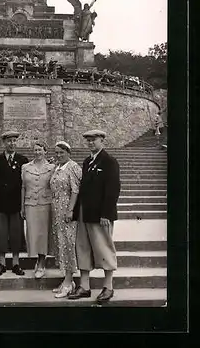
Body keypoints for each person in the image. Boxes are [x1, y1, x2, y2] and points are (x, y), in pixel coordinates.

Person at [68, 130, 120, 304]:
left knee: (103, 248)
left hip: (100, 215)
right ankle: (84, 286)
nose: (90, 143)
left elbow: (113, 190)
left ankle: (108, 287)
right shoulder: (87, 161)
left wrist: (106, 213)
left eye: (94, 140)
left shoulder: (109, 161)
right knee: (83, 249)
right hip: (85, 213)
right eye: (88, 140)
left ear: (102, 140)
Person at [0, 131, 29, 276]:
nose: (12, 144)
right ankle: (1, 263)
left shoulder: (23, 160)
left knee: (16, 233)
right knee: (0, 233)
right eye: (9, 141)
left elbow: (26, 183)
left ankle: (15, 263)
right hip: (1, 203)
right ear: (4, 143)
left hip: (16, 203)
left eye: (14, 141)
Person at [49, 141, 82, 298]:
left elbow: (75, 190)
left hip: (67, 210)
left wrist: (70, 210)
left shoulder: (73, 167)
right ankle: (66, 280)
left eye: (62, 152)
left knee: (69, 244)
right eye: (56, 152)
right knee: (62, 244)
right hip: (56, 211)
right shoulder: (57, 167)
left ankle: (69, 282)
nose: (58, 155)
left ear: (69, 152)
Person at [21, 141, 55, 278]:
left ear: (45, 151)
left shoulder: (52, 167)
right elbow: (23, 187)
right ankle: (37, 259)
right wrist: (22, 205)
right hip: (30, 204)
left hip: (45, 203)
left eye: (40, 150)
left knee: (43, 233)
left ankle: (41, 262)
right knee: (33, 233)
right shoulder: (25, 167)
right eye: (35, 150)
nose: (37, 152)